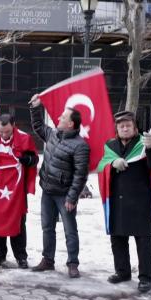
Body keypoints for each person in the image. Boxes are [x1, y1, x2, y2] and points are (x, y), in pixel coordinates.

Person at [29, 94, 90, 278]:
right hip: (47, 190)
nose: (58, 118)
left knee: (70, 230)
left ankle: (73, 264)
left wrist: (72, 198)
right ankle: (48, 260)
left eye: (63, 117)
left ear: (71, 124)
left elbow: (81, 175)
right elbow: (39, 126)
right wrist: (35, 108)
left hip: (64, 196)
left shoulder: (80, 146)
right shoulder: (53, 134)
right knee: (47, 227)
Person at [101, 111, 151, 293]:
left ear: (135, 128)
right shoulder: (110, 145)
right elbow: (101, 166)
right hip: (117, 200)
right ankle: (122, 272)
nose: (124, 128)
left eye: (128, 125)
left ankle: (145, 278)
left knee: (143, 241)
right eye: (121, 126)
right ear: (117, 129)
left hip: (139, 200)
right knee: (118, 238)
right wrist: (112, 164)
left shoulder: (144, 143)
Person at [0, 114, 38, 269]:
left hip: (17, 190)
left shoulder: (24, 138)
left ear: (14, 125)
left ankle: (21, 256)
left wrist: (26, 160)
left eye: (8, 132)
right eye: (1, 131)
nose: (4, 134)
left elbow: (34, 159)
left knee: (18, 222)